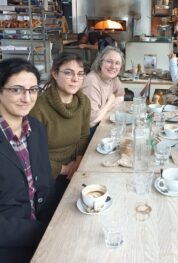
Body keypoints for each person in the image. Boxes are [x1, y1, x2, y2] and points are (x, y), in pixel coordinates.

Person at [0, 58, 56, 263]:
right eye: (16, 90)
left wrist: (58, 218)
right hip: (9, 247)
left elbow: (45, 184)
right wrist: (45, 232)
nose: (27, 98)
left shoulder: (36, 128)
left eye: (33, 90)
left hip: (43, 231)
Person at [30, 52, 91, 199]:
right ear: (55, 74)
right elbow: (33, 155)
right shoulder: (38, 107)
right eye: (68, 73)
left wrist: (78, 161)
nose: (75, 79)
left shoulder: (84, 102)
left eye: (80, 74)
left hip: (75, 166)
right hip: (47, 173)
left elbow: (83, 136)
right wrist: (64, 169)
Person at [81, 46, 125, 135]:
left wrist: (103, 111)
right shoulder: (92, 81)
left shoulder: (113, 78)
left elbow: (120, 97)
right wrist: (110, 101)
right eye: (109, 61)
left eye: (117, 63)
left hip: (101, 123)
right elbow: (92, 121)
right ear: (100, 62)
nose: (113, 66)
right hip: (88, 133)